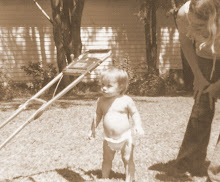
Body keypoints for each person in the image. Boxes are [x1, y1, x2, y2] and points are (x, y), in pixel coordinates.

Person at [173, 0, 220, 178]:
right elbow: (186, 43)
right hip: (205, 57)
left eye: (199, 26)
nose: (192, 30)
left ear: (214, 18)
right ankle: (189, 163)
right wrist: (199, 77)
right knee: (202, 104)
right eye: (191, 24)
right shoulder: (184, 12)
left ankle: (217, 172)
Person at [88, 67, 144, 182]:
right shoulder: (101, 101)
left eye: (109, 86)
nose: (104, 88)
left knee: (127, 159)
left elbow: (135, 113)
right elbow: (97, 115)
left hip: (125, 138)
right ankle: (104, 178)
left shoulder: (126, 100)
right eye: (102, 84)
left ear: (121, 87)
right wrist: (92, 129)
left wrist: (138, 125)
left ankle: (130, 179)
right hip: (109, 139)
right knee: (106, 159)